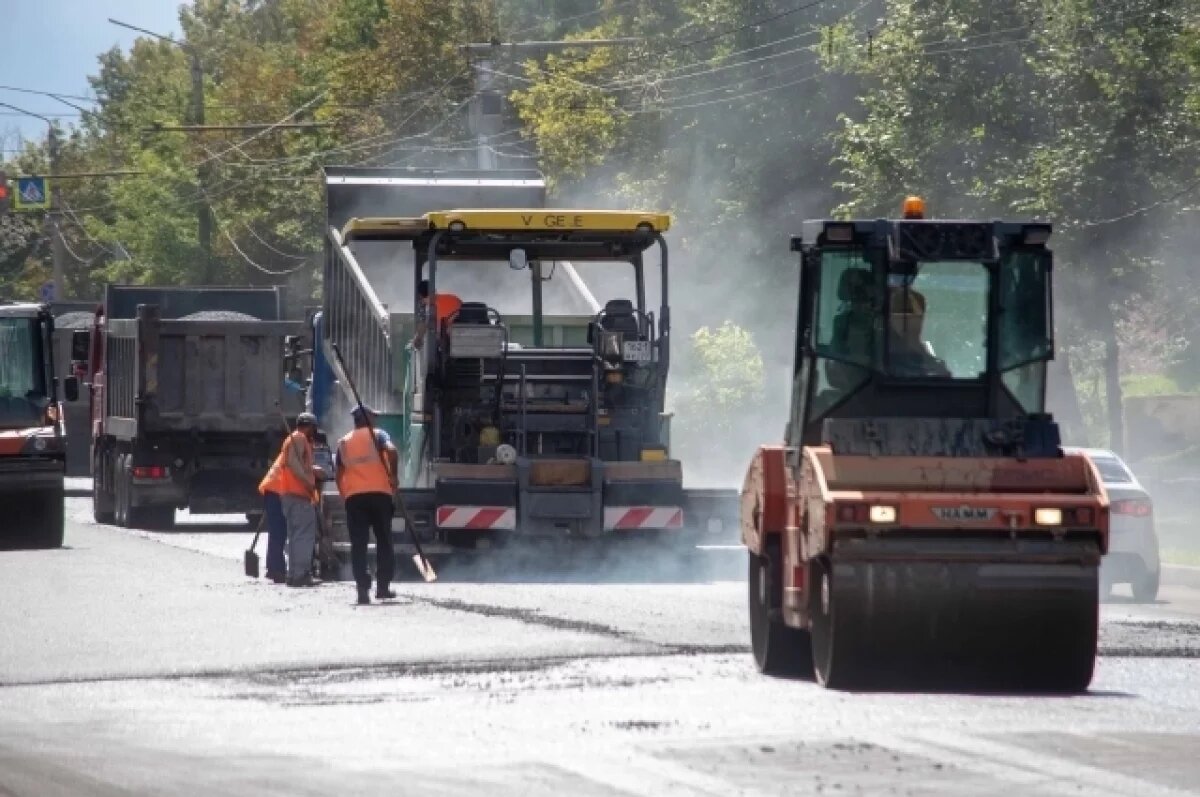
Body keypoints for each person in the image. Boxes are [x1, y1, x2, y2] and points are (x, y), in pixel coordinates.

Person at [335, 405, 400, 605]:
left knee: (359, 545)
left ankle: (362, 590)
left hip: (355, 498)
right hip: (380, 495)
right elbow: (392, 451)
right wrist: (394, 477)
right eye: (374, 417)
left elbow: (338, 473)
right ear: (368, 419)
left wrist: (344, 493)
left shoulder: (343, 442)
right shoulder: (378, 434)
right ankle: (382, 588)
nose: (376, 421)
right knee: (384, 541)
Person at [260, 412, 324, 587]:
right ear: (310, 426)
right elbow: (295, 465)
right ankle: (281, 570)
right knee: (286, 533)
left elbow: (297, 464)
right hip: (281, 490)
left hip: (281, 490)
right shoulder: (299, 439)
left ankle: (286, 571)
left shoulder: (294, 441)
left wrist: (310, 470)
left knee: (286, 533)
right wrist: (309, 480)